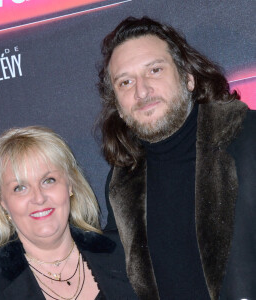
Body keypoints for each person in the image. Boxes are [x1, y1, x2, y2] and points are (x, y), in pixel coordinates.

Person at [97, 16, 256, 300]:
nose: (142, 91)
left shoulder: (249, 139)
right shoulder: (122, 182)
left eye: (155, 70)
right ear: (118, 107)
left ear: (188, 77)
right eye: (125, 82)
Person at [0, 126, 137, 299]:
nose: (39, 197)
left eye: (48, 180)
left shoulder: (129, 256)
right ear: (3, 202)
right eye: (20, 188)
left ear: (70, 185)